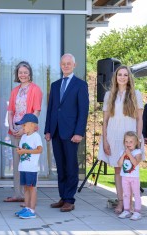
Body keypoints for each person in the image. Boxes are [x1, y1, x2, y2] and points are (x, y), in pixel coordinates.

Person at [44, 53, 89, 212]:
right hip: (56, 131)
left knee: (71, 166)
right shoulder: (55, 85)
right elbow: (51, 109)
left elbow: (83, 111)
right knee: (61, 167)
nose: (66, 66)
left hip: (71, 133)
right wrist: (48, 129)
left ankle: (70, 199)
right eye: (63, 63)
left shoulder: (80, 85)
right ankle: (63, 197)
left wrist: (79, 132)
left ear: (74, 65)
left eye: (69, 63)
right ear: (60, 65)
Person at [98, 65, 143, 214]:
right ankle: (121, 202)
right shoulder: (109, 95)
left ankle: (130, 203)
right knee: (118, 170)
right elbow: (105, 121)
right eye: (119, 75)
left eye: (125, 75)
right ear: (115, 77)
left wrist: (138, 139)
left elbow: (139, 119)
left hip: (130, 138)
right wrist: (104, 140)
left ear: (129, 77)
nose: (122, 77)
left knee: (130, 169)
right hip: (113, 137)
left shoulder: (135, 94)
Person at [5, 61, 42, 203]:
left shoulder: (35, 89)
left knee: (29, 163)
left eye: (25, 72)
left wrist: (24, 128)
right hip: (15, 131)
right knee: (17, 163)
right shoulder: (15, 91)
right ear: (17, 74)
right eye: (20, 72)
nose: (23, 75)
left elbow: (36, 111)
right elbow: (10, 111)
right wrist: (12, 127)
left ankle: (29, 197)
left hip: (28, 132)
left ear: (30, 73)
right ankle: (18, 194)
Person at [13, 114, 43, 219]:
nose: (22, 128)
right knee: (25, 188)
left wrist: (24, 151)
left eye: (24, 125)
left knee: (32, 188)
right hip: (23, 167)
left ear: (32, 125)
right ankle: (26, 207)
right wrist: (20, 151)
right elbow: (22, 150)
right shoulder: (24, 137)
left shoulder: (36, 136)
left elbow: (39, 150)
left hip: (31, 168)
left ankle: (32, 210)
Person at [117, 131, 142, 221]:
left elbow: (135, 163)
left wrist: (129, 154)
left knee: (136, 194)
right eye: (126, 142)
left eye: (131, 142)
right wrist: (124, 155)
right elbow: (119, 164)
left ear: (135, 143)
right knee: (126, 194)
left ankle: (137, 212)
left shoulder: (137, 152)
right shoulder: (122, 152)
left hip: (134, 178)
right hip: (125, 177)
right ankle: (127, 210)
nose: (128, 144)